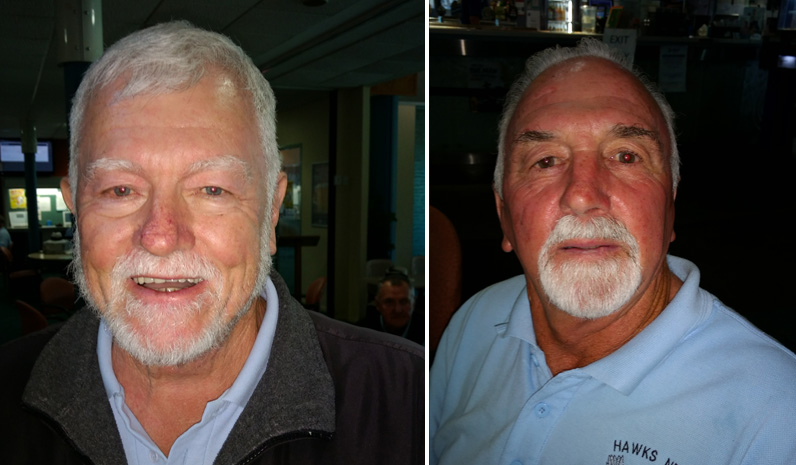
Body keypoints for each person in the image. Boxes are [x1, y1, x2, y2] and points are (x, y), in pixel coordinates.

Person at [0, 21, 424, 465]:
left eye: (212, 190)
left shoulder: (410, 404)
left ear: (272, 210)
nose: (161, 237)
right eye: (120, 190)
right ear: (75, 208)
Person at [430, 38, 796, 465]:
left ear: (669, 207)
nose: (583, 195)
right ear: (504, 215)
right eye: (546, 161)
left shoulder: (776, 415)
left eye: (626, 156)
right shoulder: (473, 323)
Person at [359, 268, 424, 345]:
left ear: (413, 303)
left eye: (404, 302)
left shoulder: (427, 331)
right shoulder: (363, 333)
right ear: (378, 304)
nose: (397, 310)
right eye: (389, 302)